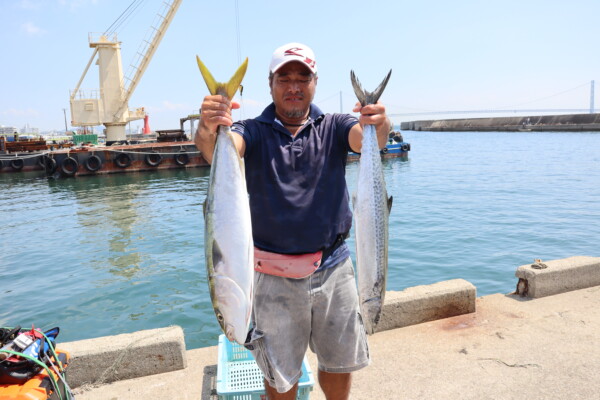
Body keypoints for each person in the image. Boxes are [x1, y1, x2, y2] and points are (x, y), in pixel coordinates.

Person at [195, 42, 391, 400]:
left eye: (303, 77)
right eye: (284, 78)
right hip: (272, 278)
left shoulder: (334, 125)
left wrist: (379, 124)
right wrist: (210, 127)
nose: (294, 86)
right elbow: (217, 151)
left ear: (315, 82)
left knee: (339, 364)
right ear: (270, 84)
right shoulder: (251, 130)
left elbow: (367, 141)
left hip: (335, 269)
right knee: (279, 375)